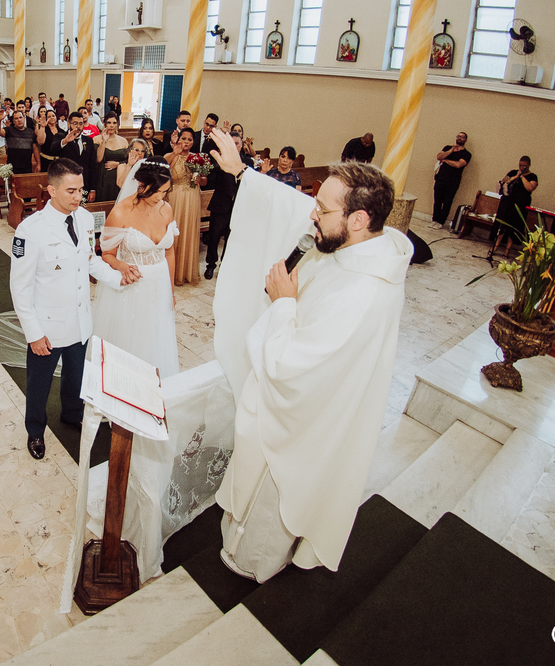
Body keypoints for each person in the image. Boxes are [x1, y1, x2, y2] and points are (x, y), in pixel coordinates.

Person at [206, 130, 412, 582]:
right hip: (304, 402)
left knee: (271, 500)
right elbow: (292, 205)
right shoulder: (360, 242)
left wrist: (283, 303)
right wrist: (242, 172)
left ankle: (250, 561)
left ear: (358, 219)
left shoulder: (363, 292)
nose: (311, 215)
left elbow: (292, 367)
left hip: (305, 422)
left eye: (322, 209)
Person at [10, 158, 129, 460]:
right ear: (51, 190)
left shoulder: (86, 220)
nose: (79, 197)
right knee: (39, 383)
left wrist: (119, 277)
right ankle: (35, 429)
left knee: (76, 375)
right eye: (71, 191)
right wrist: (34, 334)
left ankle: (72, 413)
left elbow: (89, 261)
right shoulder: (30, 230)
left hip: (80, 320)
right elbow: (20, 288)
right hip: (47, 327)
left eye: (81, 190)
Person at [93, 157, 179, 376]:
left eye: (165, 192)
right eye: (157, 192)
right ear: (142, 185)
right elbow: (107, 254)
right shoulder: (121, 212)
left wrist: (171, 289)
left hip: (159, 282)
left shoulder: (166, 209)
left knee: (155, 334)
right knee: (132, 335)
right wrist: (122, 266)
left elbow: (168, 252)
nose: (161, 197)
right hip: (133, 284)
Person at [203, 123, 255, 280]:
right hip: (220, 205)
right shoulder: (219, 162)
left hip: (238, 207)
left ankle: (224, 266)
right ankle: (210, 265)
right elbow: (211, 180)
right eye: (231, 144)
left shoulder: (249, 163)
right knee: (214, 238)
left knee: (231, 239)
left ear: (240, 145)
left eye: (237, 144)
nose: (234, 147)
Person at [165, 128, 203, 286]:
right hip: (175, 197)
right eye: (184, 138)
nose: (186, 142)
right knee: (174, 234)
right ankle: (170, 273)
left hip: (192, 197)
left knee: (189, 232)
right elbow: (163, 169)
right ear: (178, 138)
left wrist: (200, 179)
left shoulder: (197, 158)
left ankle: (185, 272)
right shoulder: (170, 155)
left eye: (189, 139)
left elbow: (204, 180)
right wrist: (175, 152)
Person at [489, 156, 538, 260]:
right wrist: (516, 176)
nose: (521, 167)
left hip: (520, 205)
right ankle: (496, 246)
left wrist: (522, 177)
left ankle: (507, 250)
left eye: (524, 166)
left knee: (514, 227)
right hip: (508, 202)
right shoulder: (513, 172)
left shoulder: (533, 176)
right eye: (520, 165)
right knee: (502, 225)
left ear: (529, 165)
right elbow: (504, 181)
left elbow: (530, 187)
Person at [431, 131, 471, 229]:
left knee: (447, 202)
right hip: (441, 178)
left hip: (453, 182)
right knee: (437, 201)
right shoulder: (447, 148)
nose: (459, 138)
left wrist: (446, 160)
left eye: (462, 137)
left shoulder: (466, 154)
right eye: (458, 136)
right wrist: (451, 151)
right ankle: (434, 220)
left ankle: (441, 222)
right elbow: (439, 157)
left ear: (465, 140)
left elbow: (458, 165)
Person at [94, 114, 128, 201]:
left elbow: (129, 161)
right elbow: (98, 159)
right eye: (109, 122)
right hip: (102, 178)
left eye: (114, 123)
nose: (111, 125)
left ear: (117, 124)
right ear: (104, 124)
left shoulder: (123, 141)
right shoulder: (96, 139)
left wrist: (118, 164)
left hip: (119, 178)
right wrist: (104, 141)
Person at [4, 108, 39, 174]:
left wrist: (38, 164)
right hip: (12, 167)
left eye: (20, 117)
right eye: (16, 118)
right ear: (13, 121)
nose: (19, 120)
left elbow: (35, 149)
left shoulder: (30, 132)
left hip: (27, 166)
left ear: (24, 118)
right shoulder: (9, 130)